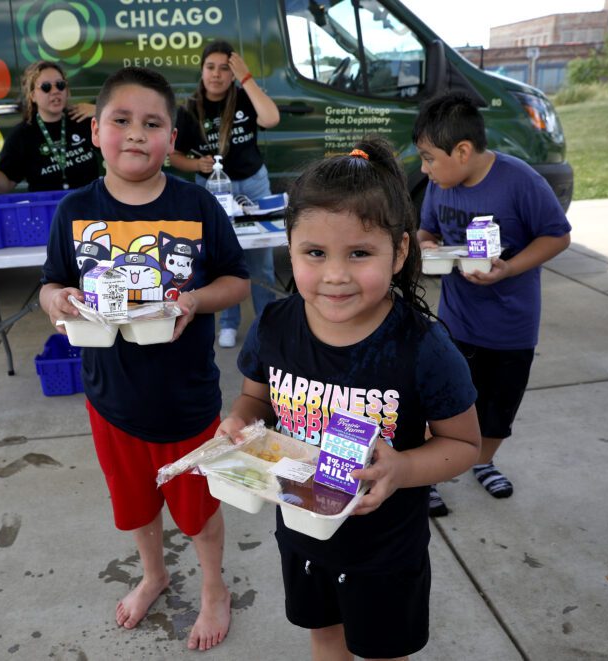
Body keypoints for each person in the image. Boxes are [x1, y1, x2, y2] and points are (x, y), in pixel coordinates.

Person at [217, 138, 482, 660]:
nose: (335, 274)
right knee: (324, 636)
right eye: (315, 253)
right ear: (288, 247)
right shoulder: (273, 327)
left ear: (400, 251)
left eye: (359, 253)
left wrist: (401, 468)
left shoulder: (423, 347)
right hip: (301, 533)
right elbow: (255, 399)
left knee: (384, 651)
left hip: (385, 548)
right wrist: (238, 423)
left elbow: (464, 443)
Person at [39, 66, 251, 651]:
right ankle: (154, 574)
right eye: (121, 121)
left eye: (152, 123)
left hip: (187, 401)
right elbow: (50, 286)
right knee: (134, 504)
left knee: (199, 508)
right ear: (96, 133)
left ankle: (214, 588)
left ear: (172, 140)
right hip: (110, 398)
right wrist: (57, 298)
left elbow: (237, 282)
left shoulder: (197, 204)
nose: (136, 133)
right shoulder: (75, 210)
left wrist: (196, 299)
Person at [412, 92, 572, 517]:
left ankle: (483, 461)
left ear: (462, 151)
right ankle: (427, 475)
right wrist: (428, 248)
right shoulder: (438, 184)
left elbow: (557, 235)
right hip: (454, 323)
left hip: (510, 326)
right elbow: (426, 230)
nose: (424, 169)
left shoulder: (520, 181)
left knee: (499, 408)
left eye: (429, 158)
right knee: (440, 404)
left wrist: (509, 268)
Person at [169, 40, 281, 349]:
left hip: (253, 185)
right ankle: (229, 323)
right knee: (222, 261)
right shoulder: (189, 109)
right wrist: (195, 163)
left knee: (261, 260)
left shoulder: (245, 98)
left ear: (232, 73)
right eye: (210, 67)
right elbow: (173, 155)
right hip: (213, 191)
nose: (216, 75)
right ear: (201, 70)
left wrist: (247, 78)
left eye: (224, 68)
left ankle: (267, 325)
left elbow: (271, 119)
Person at [0, 60, 100, 194]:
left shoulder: (82, 119)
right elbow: (6, 184)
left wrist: (101, 113)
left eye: (60, 85)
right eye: (46, 87)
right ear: (33, 95)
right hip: (47, 210)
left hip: (90, 204)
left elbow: (119, 148)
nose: (55, 91)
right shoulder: (22, 135)